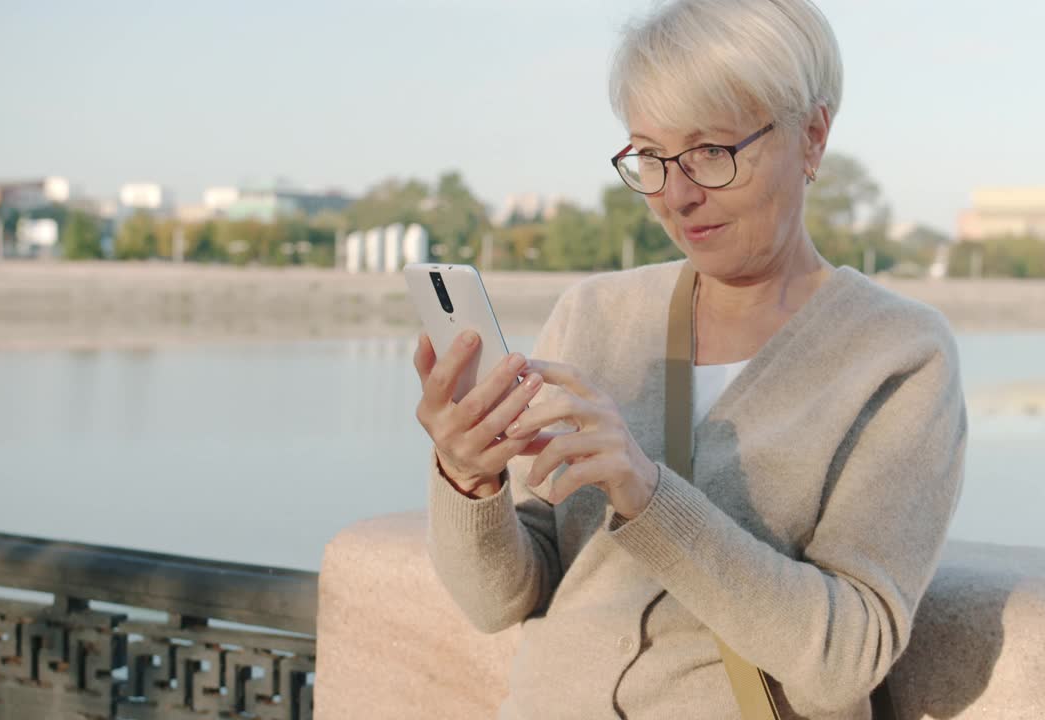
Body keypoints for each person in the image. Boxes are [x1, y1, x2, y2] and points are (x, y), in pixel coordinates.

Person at [412, 1, 967, 717]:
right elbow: (500, 602)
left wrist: (646, 492)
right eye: (650, 156)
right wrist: (467, 479)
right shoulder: (595, 316)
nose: (677, 195)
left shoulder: (898, 355)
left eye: (712, 151)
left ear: (812, 135)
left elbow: (845, 658)